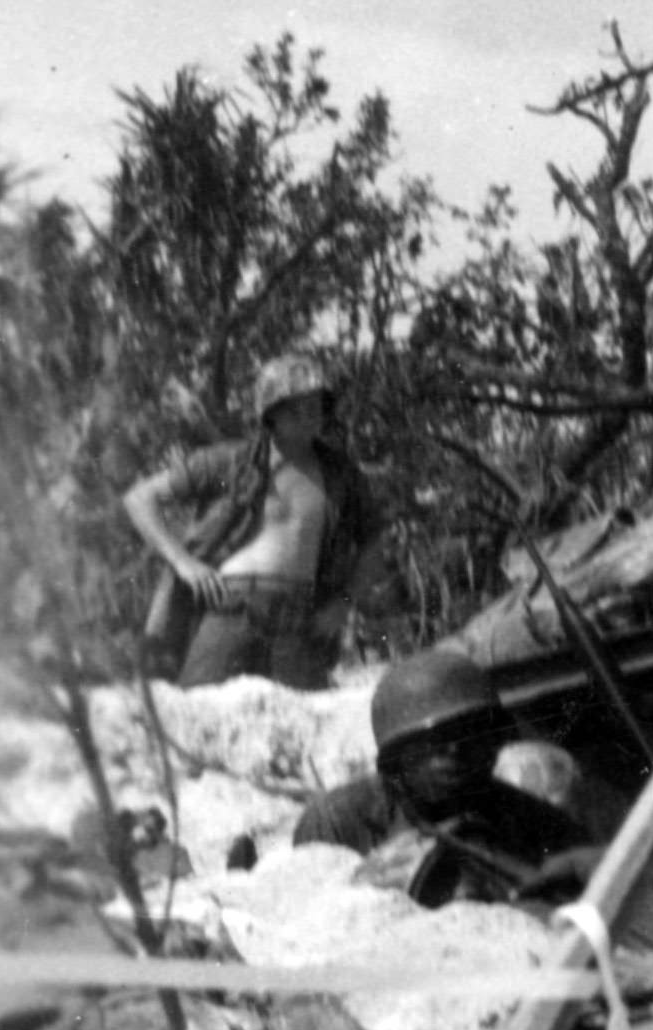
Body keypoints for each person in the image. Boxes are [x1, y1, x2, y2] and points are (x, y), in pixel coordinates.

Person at [119, 354, 377, 688]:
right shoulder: (230, 461)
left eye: (317, 403)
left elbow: (375, 542)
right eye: (299, 405)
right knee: (202, 713)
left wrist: (344, 603)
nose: (313, 412)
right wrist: (184, 563)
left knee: (304, 723)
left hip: (298, 623)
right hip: (230, 609)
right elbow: (139, 499)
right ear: (273, 413)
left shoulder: (341, 475)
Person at [291, 646, 594, 910]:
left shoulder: (538, 822)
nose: (454, 751)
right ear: (396, 761)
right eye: (432, 743)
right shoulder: (338, 820)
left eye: (471, 733)